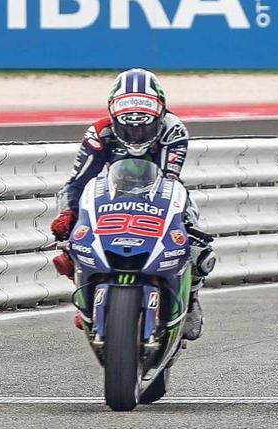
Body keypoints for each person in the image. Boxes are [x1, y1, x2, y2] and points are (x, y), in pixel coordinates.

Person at [50, 68, 216, 341]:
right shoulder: (98, 133)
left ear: (160, 115)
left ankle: (192, 299)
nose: (136, 132)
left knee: (197, 244)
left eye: (144, 125)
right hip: (110, 194)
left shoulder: (174, 130)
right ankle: (87, 297)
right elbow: (79, 181)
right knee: (70, 244)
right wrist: (68, 214)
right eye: (128, 125)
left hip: (159, 192)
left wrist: (180, 222)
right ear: (114, 116)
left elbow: (169, 178)